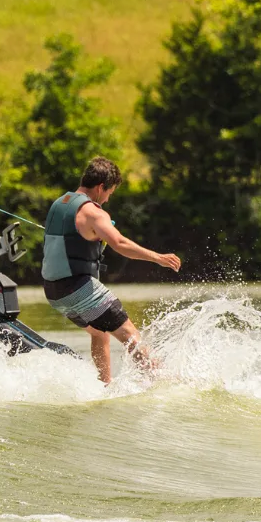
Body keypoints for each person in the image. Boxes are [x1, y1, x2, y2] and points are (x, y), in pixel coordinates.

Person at [42, 157, 181, 384]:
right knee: (129, 335)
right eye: (109, 193)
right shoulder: (94, 213)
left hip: (54, 293)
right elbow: (120, 243)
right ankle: (165, 383)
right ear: (100, 187)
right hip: (78, 288)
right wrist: (158, 258)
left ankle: (104, 386)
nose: (107, 199)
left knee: (99, 331)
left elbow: (72, 239)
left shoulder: (60, 203)